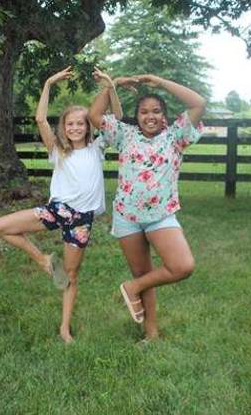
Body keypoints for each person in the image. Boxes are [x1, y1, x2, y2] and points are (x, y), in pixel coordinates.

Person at [0, 66, 122, 343]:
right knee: (0, 226)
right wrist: (49, 82)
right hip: (56, 211)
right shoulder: (57, 150)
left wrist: (110, 86)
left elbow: (118, 119)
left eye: (81, 123)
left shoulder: (97, 148)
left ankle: (64, 327)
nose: (75, 127)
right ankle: (43, 259)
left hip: (81, 220)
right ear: (63, 127)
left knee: (71, 275)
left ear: (88, 126)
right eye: (70, 124)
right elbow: (40, 118)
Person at [89, 68, 206, 341]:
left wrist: (161, 82)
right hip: (127, 216)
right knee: (144, 272)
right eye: (144, 112)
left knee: (182, 266)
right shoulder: (125, 135)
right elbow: (95, 115)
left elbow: (198, 103)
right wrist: (112, 84)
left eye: (155, 111)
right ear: (137, 116)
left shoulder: (176, 136)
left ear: (164, 116)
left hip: (160, 216)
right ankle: (151, 333)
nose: (150, 116)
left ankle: (132, 288)